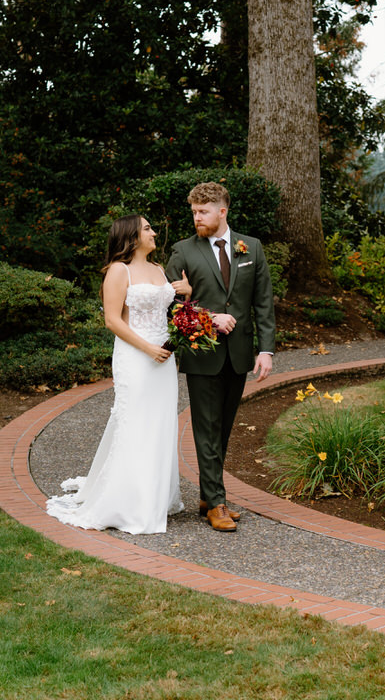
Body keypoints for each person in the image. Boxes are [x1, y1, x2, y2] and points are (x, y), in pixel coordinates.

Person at [47, 215, 191, 534]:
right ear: (132, 236)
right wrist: (148, 348)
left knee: (160, 421)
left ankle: (156, 495)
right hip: (136, 357)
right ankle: (130, 502)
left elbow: (170, 310)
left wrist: (187, 294)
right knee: (136, 421)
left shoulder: (157, 269)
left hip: (164, 359)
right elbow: (113, 321)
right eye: (148, 228)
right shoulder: (118, 271)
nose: (154, 232)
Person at [165, 182, 276, 531]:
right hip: (202, 354)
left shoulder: (251, 248)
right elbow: (169, 304)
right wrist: (210, 318)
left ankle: (207, 493)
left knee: (223, 429)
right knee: (206, 429)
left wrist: (266, 349)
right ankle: (216, 503)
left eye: (203, 212)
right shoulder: (183, 251)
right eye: (194, 212)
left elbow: (263, 303)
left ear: (222, 211)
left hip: (240, 355)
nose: (197, 218)